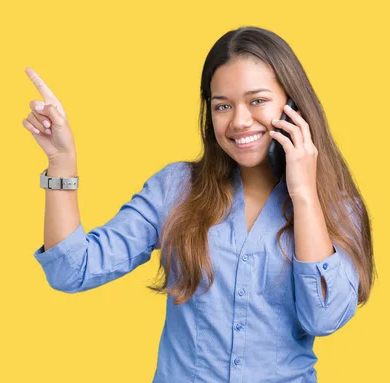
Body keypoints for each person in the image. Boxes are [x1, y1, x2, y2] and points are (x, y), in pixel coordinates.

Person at [22, 26, 375, 383]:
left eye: (257, 101)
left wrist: (303, 195)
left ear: (292, 104)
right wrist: (61, 161)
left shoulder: (336, 206)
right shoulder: (176, 189)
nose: (239, 120)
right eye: (223, 105)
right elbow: (71, 269)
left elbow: (326, 318)